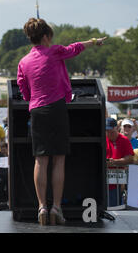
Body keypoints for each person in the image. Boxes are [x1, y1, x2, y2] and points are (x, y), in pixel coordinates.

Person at [17, 17, 107, 225]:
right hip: (56, 108)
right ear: (47, 36)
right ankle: (56, 207)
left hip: (37, 111)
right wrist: (94, 41)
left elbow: (24, 91)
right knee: (58, 159)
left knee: (40, 160)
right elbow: (74, 48)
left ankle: (41, 207)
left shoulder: (23, 62)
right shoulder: (55, 51)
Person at [105, 117, 134, 207]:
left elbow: (130, 158)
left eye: (111, 131)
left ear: (117, 128)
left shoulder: (124, 140)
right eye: (106, 130)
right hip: (102, 182)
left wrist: (114, 162)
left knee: (114, 209)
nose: (109, 133)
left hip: (116, 183)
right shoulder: (102, 138)